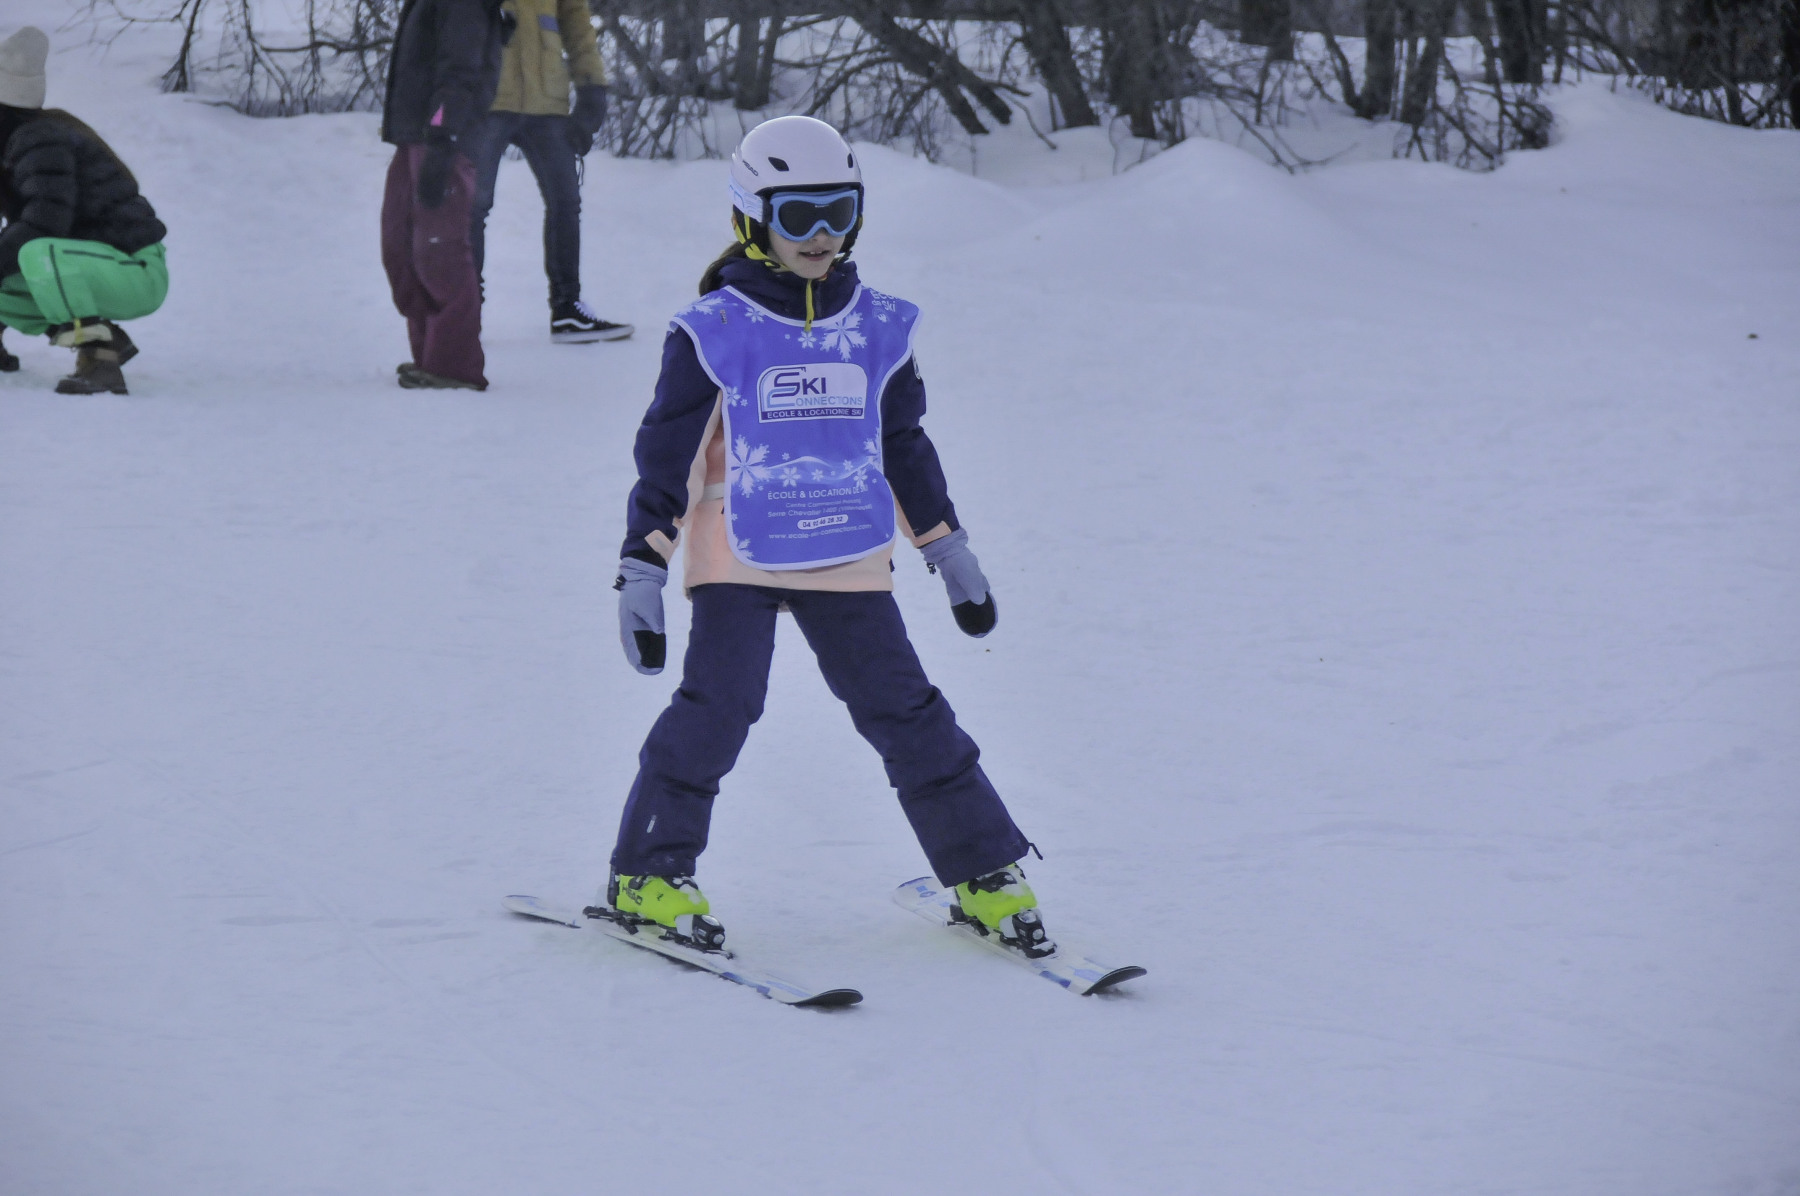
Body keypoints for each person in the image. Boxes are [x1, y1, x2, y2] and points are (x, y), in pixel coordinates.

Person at [597, 115, 1052, 959]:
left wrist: (946, 548)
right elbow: (667, 454)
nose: (821, 234)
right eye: (798, 214)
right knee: (721, 704)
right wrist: (643, 565)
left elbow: (903, 445)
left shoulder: (879, 326)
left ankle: (985, 870)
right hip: (738, 549)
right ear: (752, 217)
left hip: (847, 549)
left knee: (905, 709)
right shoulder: (714, 329)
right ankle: (647, 874)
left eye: (838, 211)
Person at [0, 26, 168, 395]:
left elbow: (45, 224)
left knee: (36, 252)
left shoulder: (41, 138)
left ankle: (99, 358)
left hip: (136, 269)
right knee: (20, 258)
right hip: (90, 264)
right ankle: (106, 338)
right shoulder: (13, 142)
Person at [463, 0, 631, 343]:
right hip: (487, 96)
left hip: (546, 99)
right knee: (472, 207)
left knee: (566, 203)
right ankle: (464, 313)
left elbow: (576, 20)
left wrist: (591, 87)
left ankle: (568, 309)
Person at [379, 0, 506, 390]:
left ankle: (454, 365)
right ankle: (430, 355)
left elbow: (460, 70)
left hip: (442, 139)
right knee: (400, 247)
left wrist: (443, 135)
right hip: (414, 134)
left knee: (440, 250)